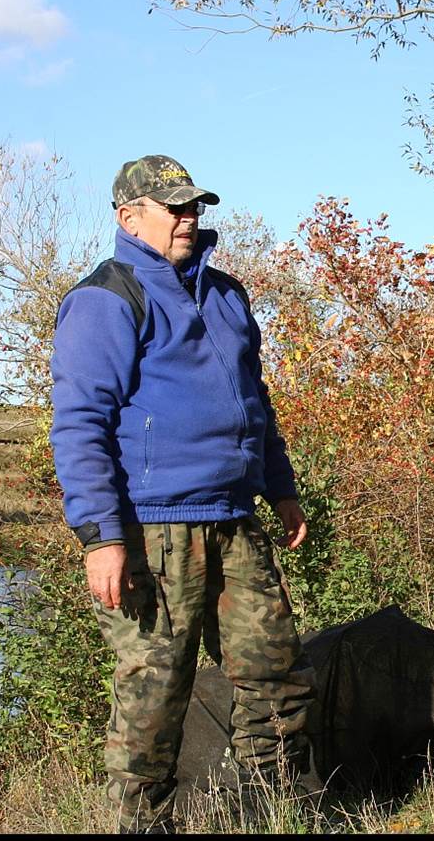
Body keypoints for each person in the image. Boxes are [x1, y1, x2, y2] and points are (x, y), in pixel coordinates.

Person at [50, 155, 317, 833]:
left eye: (194, 206)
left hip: (234, 518)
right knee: (154, 696)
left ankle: (274, 813)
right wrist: (102, 537)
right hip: (150, 531)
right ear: (129, 216)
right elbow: (80, 425)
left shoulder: (227, 295)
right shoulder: (104, 299)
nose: (189, 218)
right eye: (174, 207)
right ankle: (145, 826)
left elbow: (254, 401)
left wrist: (279, 487)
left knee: (275, 676)